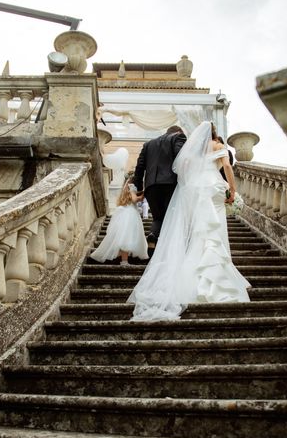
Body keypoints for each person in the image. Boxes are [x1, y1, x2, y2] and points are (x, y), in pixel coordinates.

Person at [128, 121, 250, 321]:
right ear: (214, 134)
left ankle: (161, 241)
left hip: (181, 189)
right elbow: (227, 165)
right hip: (209, 188)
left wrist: (139, 187)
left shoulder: (189, 151)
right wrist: (232, 188)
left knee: (190, 228)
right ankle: (214, 277)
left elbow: (180, 167)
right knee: (213, 231)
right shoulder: (216, 146)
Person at [133, 125, 187, 256]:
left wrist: (139, 188)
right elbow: (181, 159)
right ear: (178, 132)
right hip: (170, 184)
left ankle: (153, 235)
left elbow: (139, 167)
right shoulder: (179, 137)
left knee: (158, 218)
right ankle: (169, 252)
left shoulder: (148, 144)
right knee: (171, 218)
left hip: (151, 186)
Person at [90, 173, 149, 265]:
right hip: (130, 215)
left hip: (125, 213)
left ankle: (121, 258)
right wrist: (142, 196)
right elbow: (134, 199)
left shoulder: (126, 190)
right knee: (126, 238)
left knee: (124, 237)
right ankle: (124, 261)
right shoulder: (132, 187)